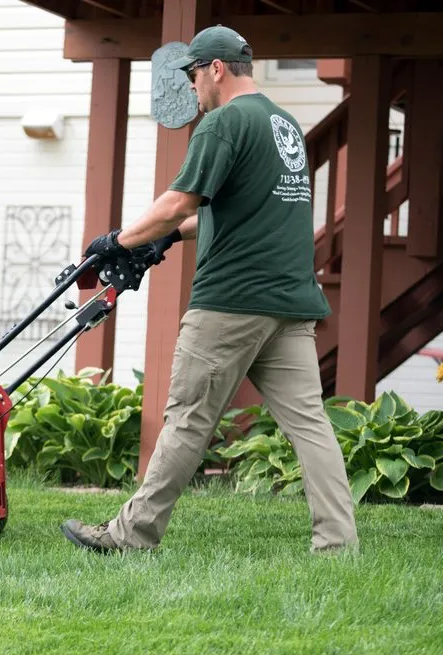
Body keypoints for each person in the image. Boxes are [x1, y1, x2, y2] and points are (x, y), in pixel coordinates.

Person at [60, 25, 358, 555]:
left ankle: (131, 537)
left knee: (186, 421)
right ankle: (338, 545)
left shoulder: (223, 123)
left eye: (194, 75)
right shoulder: (282, 123)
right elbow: (234, 208)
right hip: (289, 302)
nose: (193, 89)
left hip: (231, 302)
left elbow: (180, 200)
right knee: (310, 426)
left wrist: (116, 242)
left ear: (216, 69)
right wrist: (169, 238)